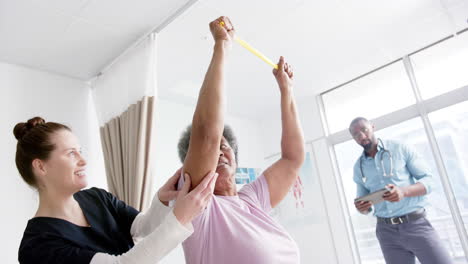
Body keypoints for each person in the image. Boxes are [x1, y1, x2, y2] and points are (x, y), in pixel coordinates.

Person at [177, 16, 305, 264]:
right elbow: (205, 134)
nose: (220, 152)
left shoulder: (252, 199)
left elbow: (293, 158)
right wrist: (222, 46)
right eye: (215, 149)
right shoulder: (198, 208)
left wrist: (287, 91)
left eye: (225, 147)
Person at [15, 116, 218, 264]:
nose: (83, 160)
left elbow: (140, 228)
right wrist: (179, 219)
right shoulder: (38, 247)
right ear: (41, 167)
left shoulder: (97, 197)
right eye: (71, 154)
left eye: (80, 151)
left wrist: (162, 202)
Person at [350, 117, 452, 264]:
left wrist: (403, 192)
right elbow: (364, 203)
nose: (361, 136)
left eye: (364, 130)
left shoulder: (399, 148)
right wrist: (362, 207)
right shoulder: (358, 167)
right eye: (356, 134)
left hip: (415, 224)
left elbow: (430, 181)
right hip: (386, 233)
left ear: (372, 127)